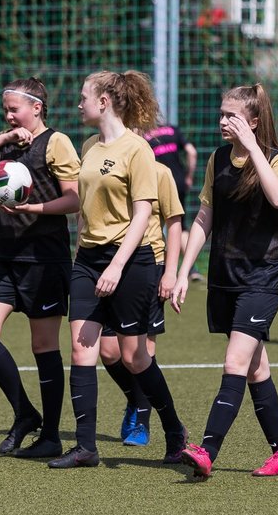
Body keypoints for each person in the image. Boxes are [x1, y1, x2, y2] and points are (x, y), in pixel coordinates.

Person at [53, 70, 189, 469]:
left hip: (131, 260)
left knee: (134, 358)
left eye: (83, 97)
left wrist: (116, 265)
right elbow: (84, 205)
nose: (78, 104)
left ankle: (174, 430)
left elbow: (144, 212)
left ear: (104, 102)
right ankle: (85, 448)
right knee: (82, 348)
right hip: (88, 259)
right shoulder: (89, 145)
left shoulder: (138, 150)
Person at [171, 84, 278, 480]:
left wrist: (254, 148)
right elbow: (204, 217)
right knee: (256, 368)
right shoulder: (216, 159)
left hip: (263, 277)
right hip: (226, 277)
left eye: (232, 116)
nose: (223, 121)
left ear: (254, 121)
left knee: (235, 362)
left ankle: (207, 450)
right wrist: (182, 272)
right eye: (222, 114)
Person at [0, 78, 79, 459]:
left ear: (37, 107)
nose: (9, 115)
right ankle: (25, 412)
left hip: (44, 260)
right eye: (5, 109)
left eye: (15, 109)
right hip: (5, 258)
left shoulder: (56, 142)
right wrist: (1, 139)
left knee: (43, 346)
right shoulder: (4, 143)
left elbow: (74, 199)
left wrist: (33, 209)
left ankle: (52, 435)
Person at [98, 152, 183, 448]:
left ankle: (144, 422)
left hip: (149, 267)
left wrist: (170, 272)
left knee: (141, 351)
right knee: (109, 352)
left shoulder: (159, 172)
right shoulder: (103, 165)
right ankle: (136, 399)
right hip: (110, 265)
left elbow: (174, 223)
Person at [144, 120, 199, 280]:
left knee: (152, 220)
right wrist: (189, 176)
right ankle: (191, 268)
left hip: (156, 182)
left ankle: (161, 265)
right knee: (180, 224)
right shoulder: (173, 130)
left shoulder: (143, 136)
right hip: (179, 181)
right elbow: (192, 152)